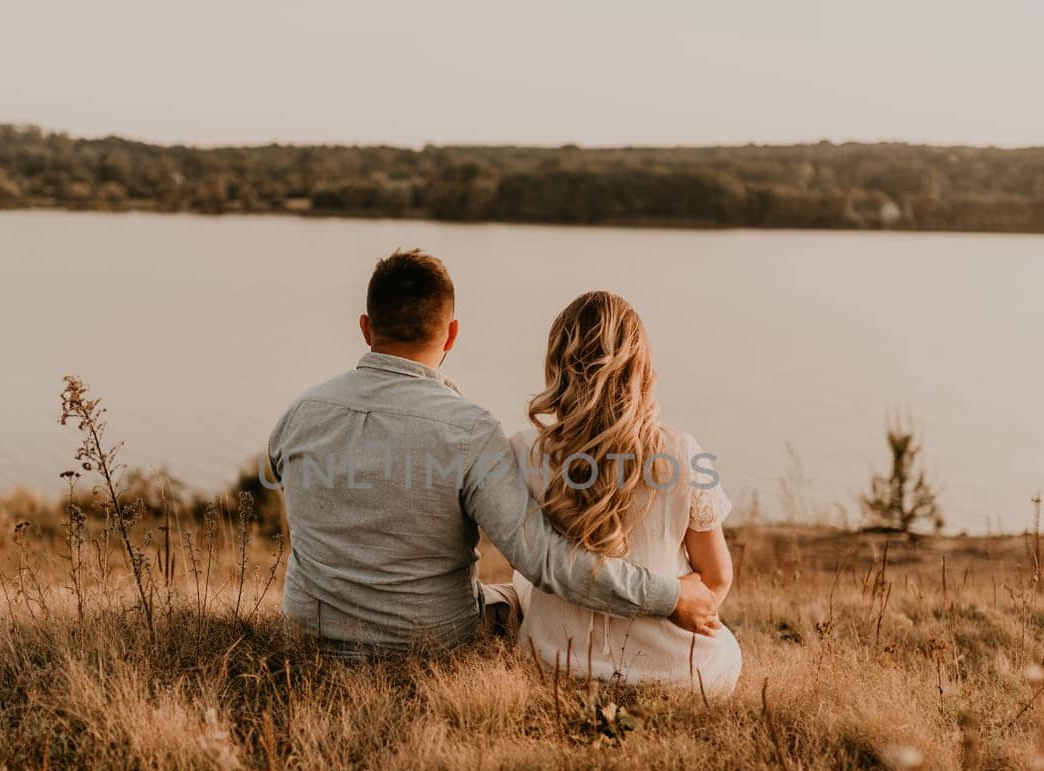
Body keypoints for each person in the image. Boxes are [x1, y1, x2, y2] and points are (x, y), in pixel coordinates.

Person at [265, 249, 720, 654]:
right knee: (515, 597)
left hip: (308, 635)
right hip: (431, 642)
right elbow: (545, 562)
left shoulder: (300, 413)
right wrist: (669, 595)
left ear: (366, 328)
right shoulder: (469, 430)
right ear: (451, 334)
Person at [510, 291, 742, 695]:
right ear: (641, 366)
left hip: (553, 663)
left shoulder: (523, 452)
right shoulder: (682, 451)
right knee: (726, 648)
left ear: (558, 364)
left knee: (521, 585)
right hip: (678, 675)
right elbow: (717, 578)